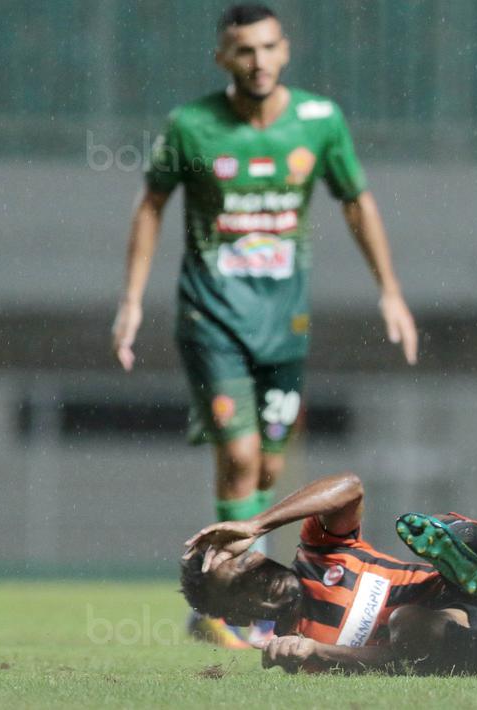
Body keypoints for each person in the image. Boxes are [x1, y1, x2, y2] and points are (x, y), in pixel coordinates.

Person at [110, 3, 418, 647]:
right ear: (223, 58)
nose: (257, 61)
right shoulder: (192, 126)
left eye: (268, 47)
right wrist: (132, 300)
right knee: (241, 455)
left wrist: (390, 291)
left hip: (284, 324)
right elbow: (151, 204)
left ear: (285, 51)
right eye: (243, 50)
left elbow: (357, 200)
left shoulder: (318, 121)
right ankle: (225, 609)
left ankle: (230, 594)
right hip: (210, 316)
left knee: (270, 467)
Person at [181, 472, 477, 679]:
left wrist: (257, 524)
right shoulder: (295, 649)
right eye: (240, 585)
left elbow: (348, 487)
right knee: (414, 627)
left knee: (452, 534)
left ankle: (458, 556)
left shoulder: (320, 553)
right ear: (232, 613)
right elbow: (390, 666)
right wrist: (318, 651)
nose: (260, 576)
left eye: (251, 561)